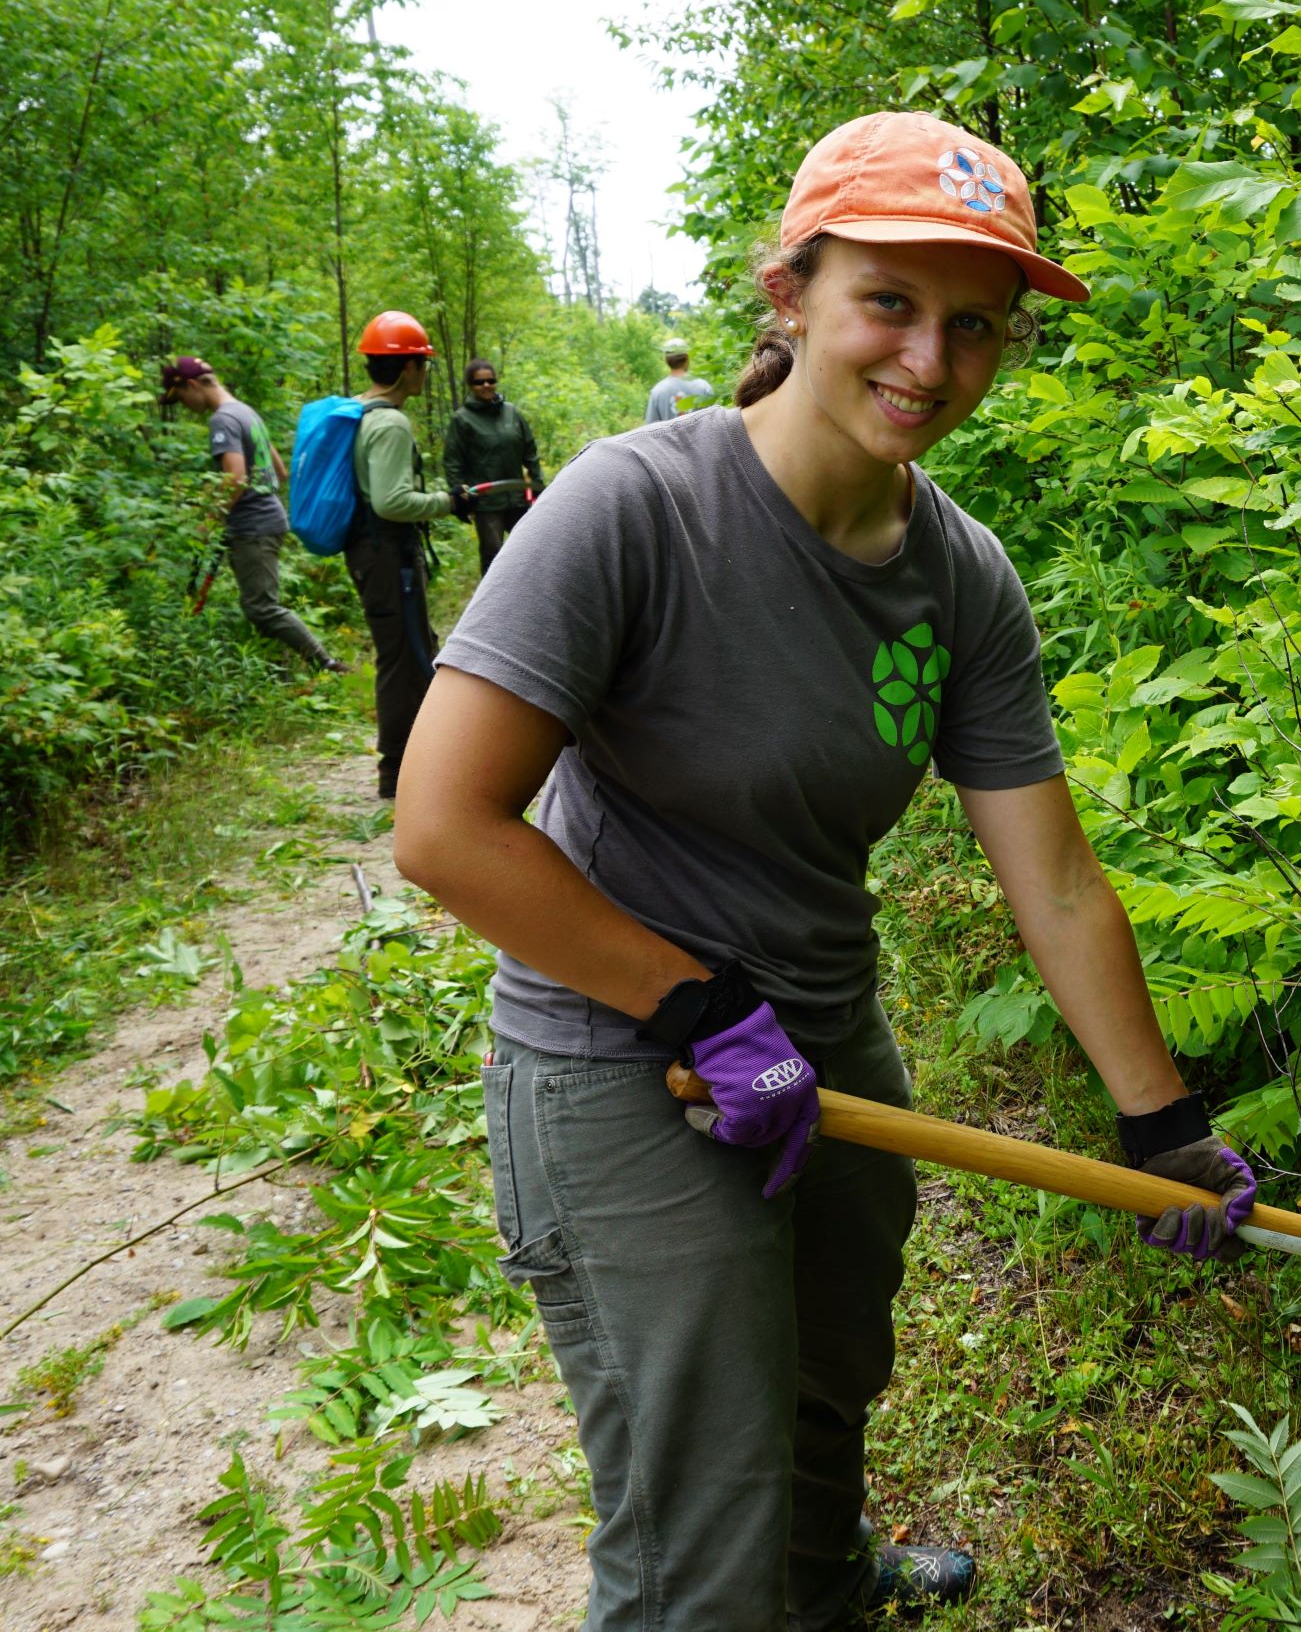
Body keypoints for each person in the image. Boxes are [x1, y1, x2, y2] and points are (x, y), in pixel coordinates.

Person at [392, 110, 1256, 1631]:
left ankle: (828, 1588)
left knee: (829, 1376)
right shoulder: (634, 510)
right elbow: (444, 826)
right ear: (789, 296)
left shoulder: (960, 574)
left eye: (973, 327)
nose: (930, 361)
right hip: (620, 1052)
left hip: (825, 1034)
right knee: (697, 1524)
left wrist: (1160, 1121)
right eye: (889, 305)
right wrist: (693, 1008)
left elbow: (1050, 878)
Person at [345, 310, 473, 799]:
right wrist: (449, 502)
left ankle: (415, 762)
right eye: (422, 363)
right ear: (406, 369)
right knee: (404, 657)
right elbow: (391, 501)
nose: (424, 371)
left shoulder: (361, 412)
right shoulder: (391, 423)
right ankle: (398, 771)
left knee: (410, 647)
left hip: (372, 552)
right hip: (385, 554)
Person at [160, 356, 345, 674]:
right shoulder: (245, 411)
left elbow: (235, 477)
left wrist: (208, 521)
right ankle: (279, 669)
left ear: (191, 386)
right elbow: (280, 471)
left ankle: (325, 663)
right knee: (259, 603)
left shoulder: (222, 419)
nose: (184, 406)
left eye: (180, 399)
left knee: (261, 607)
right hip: (267, 516)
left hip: (254, 524)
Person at [443, 358, 543, 573]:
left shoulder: (511, 412)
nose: (486, 385)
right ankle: (495, 604)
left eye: (491, 380)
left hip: (517, 497)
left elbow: (529, 450)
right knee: (493, 557)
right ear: (470, 385)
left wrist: (538, 486)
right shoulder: (462, 420)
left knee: (530, 549)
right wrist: (460, 494)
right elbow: (453, 460)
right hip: (487, 503)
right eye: (480, 382)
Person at [643, 335, 715, 422]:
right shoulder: (703, 387)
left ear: (666, 360)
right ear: (687, 358)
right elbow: (716, 422)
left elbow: (650, 429)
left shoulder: (657, 391)